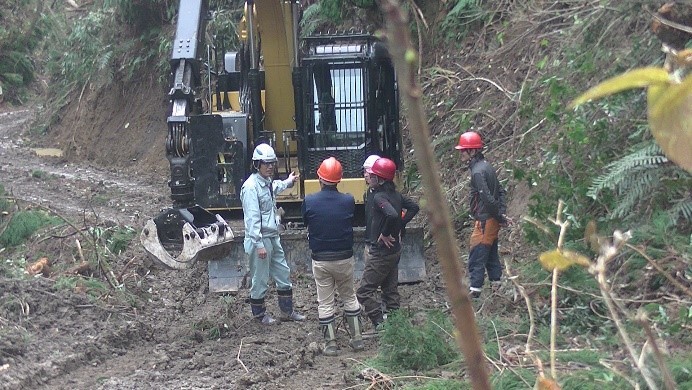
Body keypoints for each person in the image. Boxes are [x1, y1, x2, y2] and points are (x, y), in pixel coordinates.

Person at [302, 157, 363, 356]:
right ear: (339, 179)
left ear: (320, 178)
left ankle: (331, 344)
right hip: (344, 258)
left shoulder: (309, 201)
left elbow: (306, 222)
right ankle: (357, 339)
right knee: (349, 296)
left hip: (321, 259)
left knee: (325, 302)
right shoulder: (348, 200)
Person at [241, 143, 306, 324]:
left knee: (283, 272)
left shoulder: (266, 182)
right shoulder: (250, 188)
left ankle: (287, 311)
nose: (270, 167)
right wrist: (258, 244)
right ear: (257, 164)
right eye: (266, 163)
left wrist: (288, 182)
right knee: (260, 278)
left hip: (272, 236)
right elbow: (252, 219)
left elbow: (274, 187)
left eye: (272, 163)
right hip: (260, 239)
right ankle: (259, 316)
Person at [357, 157, 419, 329]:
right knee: (390, 291)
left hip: (381, 253)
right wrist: (400, 225)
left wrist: (385, 233)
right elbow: (414, 207)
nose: (369, 177)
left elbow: (391, 215)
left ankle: (380, 325)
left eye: (373, 175)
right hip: (394, 251)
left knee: (364, 292)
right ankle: (395, 325)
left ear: (380, 179)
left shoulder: (379, 197)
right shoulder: (396, 195)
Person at [455, 131, 509, 299]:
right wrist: (501, 214)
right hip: (491, 218)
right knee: (491, 254)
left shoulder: (478, 172)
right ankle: (497, 290)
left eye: (463, 150)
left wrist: (499, 216)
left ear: (472, 152)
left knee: (477, 255)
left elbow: (486, 198)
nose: (461, 154)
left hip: (485, 220)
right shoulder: (486, 166)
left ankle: (475, 293)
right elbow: (501, 191)